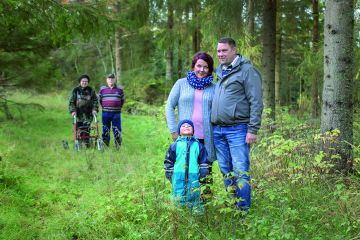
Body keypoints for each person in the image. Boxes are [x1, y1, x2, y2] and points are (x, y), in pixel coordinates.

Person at [211, 37, 263, 211]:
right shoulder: (220, 72)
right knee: (226, 170)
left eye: (224, 50)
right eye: (218, 51)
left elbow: (256, 101)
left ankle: (243, 211)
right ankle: (233, 205)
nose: (220, 54)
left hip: (238, 130)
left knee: (240, 171)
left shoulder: (247, 71)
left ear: (234, 50)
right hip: (218, 130)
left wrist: (253, 129)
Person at [165, 52, 216, 188]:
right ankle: (183, 202)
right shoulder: (181, 84)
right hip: (185, 137)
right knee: (184, 170)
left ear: (210, 69)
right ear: (193, 66)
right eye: (199, 66)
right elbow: (169, 106)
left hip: (206, 139)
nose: (202, 70)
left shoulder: (214, 88)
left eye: (206, 67)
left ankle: (205, 204)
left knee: (205, 173)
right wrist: (173, 131)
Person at [164, 119, 210, 213]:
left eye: (189, 126)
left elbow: (204, 161)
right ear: (179, 131)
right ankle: (178, 213)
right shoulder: (175, 145)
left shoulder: (198, 145)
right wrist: (170, 174)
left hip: (194, 175)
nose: (186, 127)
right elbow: (169, 161)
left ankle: (196, 213)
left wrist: (203, 173)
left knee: (194, 193)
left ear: (193, 130)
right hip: (178, 175)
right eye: (183, 126)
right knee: (178, 193)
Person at [69, 74, 99, 146]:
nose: (84, 82)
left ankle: (87, 143)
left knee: (86, 129)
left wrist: (94, 109)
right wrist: (73, 111)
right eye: (83, 81)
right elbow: (71, 102)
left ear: (88, 82)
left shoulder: (91, 90)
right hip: (78, 114)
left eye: (86, 81)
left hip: (88, 114)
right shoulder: (75, 90)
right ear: (80, 82)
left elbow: (95, 101)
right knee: (78, 129)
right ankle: (79, 143)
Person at [99, 73, 125, 147]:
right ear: (106, 80)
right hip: (105, 113)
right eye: (109, 79)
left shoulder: (120, 89)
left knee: (117, 129)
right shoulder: (102, 89)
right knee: (105, 129)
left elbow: (122, 100)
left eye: (112, 79)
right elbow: (100, 100)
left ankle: (118, 146)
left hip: (116, 113)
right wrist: (106, 107)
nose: (110, 80)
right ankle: (105, 145)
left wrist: (117, 107)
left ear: (115, 79)